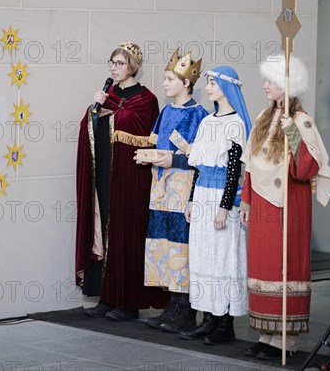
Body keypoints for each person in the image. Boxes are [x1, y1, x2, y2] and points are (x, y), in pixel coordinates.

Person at [240, 54, 330, 360]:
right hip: (262, 205)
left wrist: (292, 132)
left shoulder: (300, 120)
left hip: (287, 206)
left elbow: (306, 169)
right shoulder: (262, 118)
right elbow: (251, 165)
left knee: (284, 268)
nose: (266, 86)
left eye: (271, 81)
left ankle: (286, 341)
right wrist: (246, 200)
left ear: (287, 85)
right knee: (263, 267)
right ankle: (266, 333)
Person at [76, 41, 168, 321]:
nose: (115, 69)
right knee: (105, 232)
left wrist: (112, 111)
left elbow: (142, 135)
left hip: (130, 178)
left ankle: (127, 302)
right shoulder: (108, 94)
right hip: (105, 173)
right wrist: (95, 111)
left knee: (126, 234)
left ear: (133, 67)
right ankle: (107, 295)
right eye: (112, 63)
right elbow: (88, 127)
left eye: (120, 64)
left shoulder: (146, 99)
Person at [138, 50, 208, 333]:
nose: (164, 83)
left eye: (169, 79)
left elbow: (202, 158)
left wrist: (174, 160)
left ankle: (186, 309)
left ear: (186, 83)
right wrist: (149, 156)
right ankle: (171, 305)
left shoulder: (199, 115)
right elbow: (158, 145)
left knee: (182, 245)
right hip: (161, 187)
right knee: (163, 243)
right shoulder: (166, 111)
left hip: (183, 187)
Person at [183, 66, 252, 345]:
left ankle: (225, 324)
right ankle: (208, 319)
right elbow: (199, 167)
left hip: (222, 197)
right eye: (208, 83)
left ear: (227, 87)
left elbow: (234, 168)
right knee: (204, 256)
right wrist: (190, 200)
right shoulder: (207, 122)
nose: (208, 87)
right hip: (202, 196)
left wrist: (225, 207)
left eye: (212, 83)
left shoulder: (235, 123)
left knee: (224, 258)